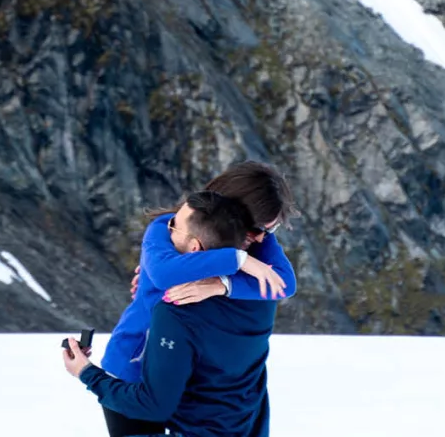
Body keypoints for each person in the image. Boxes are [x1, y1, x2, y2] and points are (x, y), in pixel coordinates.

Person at [99, 160, 297, 436]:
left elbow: (284, 285)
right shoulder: (166, 229)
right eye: (257, 229)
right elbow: (163, 274)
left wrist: (223, 284)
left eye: (270, 230)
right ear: (232, 215)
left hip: (190, 380)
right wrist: (239, 261)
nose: (262, 239)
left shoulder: (257, 240)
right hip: (134, 365)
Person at [62, 190, 277, 436]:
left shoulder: (174, 312)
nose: (167, 228)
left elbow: (152, 406)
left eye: (174, 225)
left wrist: (86, 372)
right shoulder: (262, 293)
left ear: (195, 247)